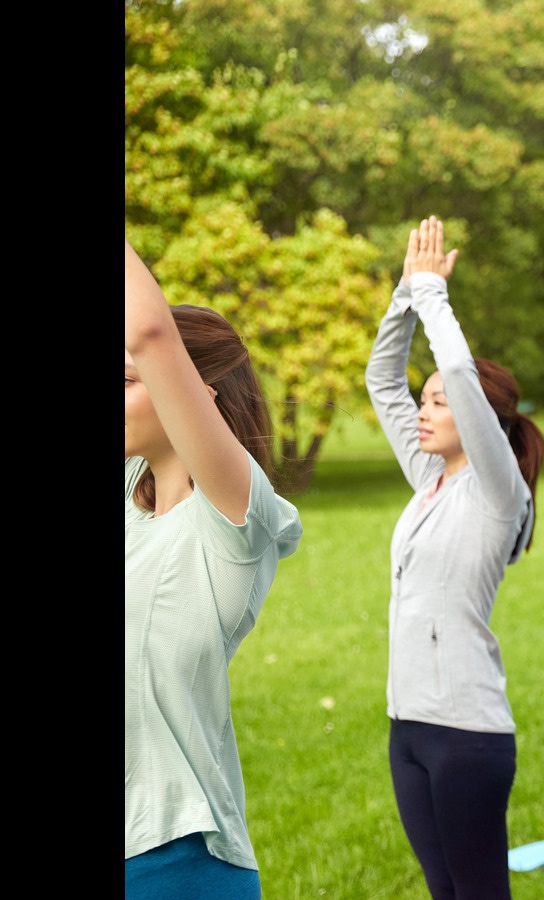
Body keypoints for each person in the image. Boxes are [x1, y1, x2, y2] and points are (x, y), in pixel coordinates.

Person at [366, 217, 544, 900]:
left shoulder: (497, 491)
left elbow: (463, 376)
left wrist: (435, 296)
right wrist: (404, 296)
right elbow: (382, 379)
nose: (422, 408)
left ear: (478, 421)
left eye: (437, 402)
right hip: (407, 726)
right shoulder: (431, 481)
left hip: (466, 733)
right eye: (425, 398)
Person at [125, 241, 303, 899]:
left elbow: (146, 331)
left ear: (190, 400)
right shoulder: (129, 499)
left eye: (126, 380)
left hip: (174, 861)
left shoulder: (236, 518)